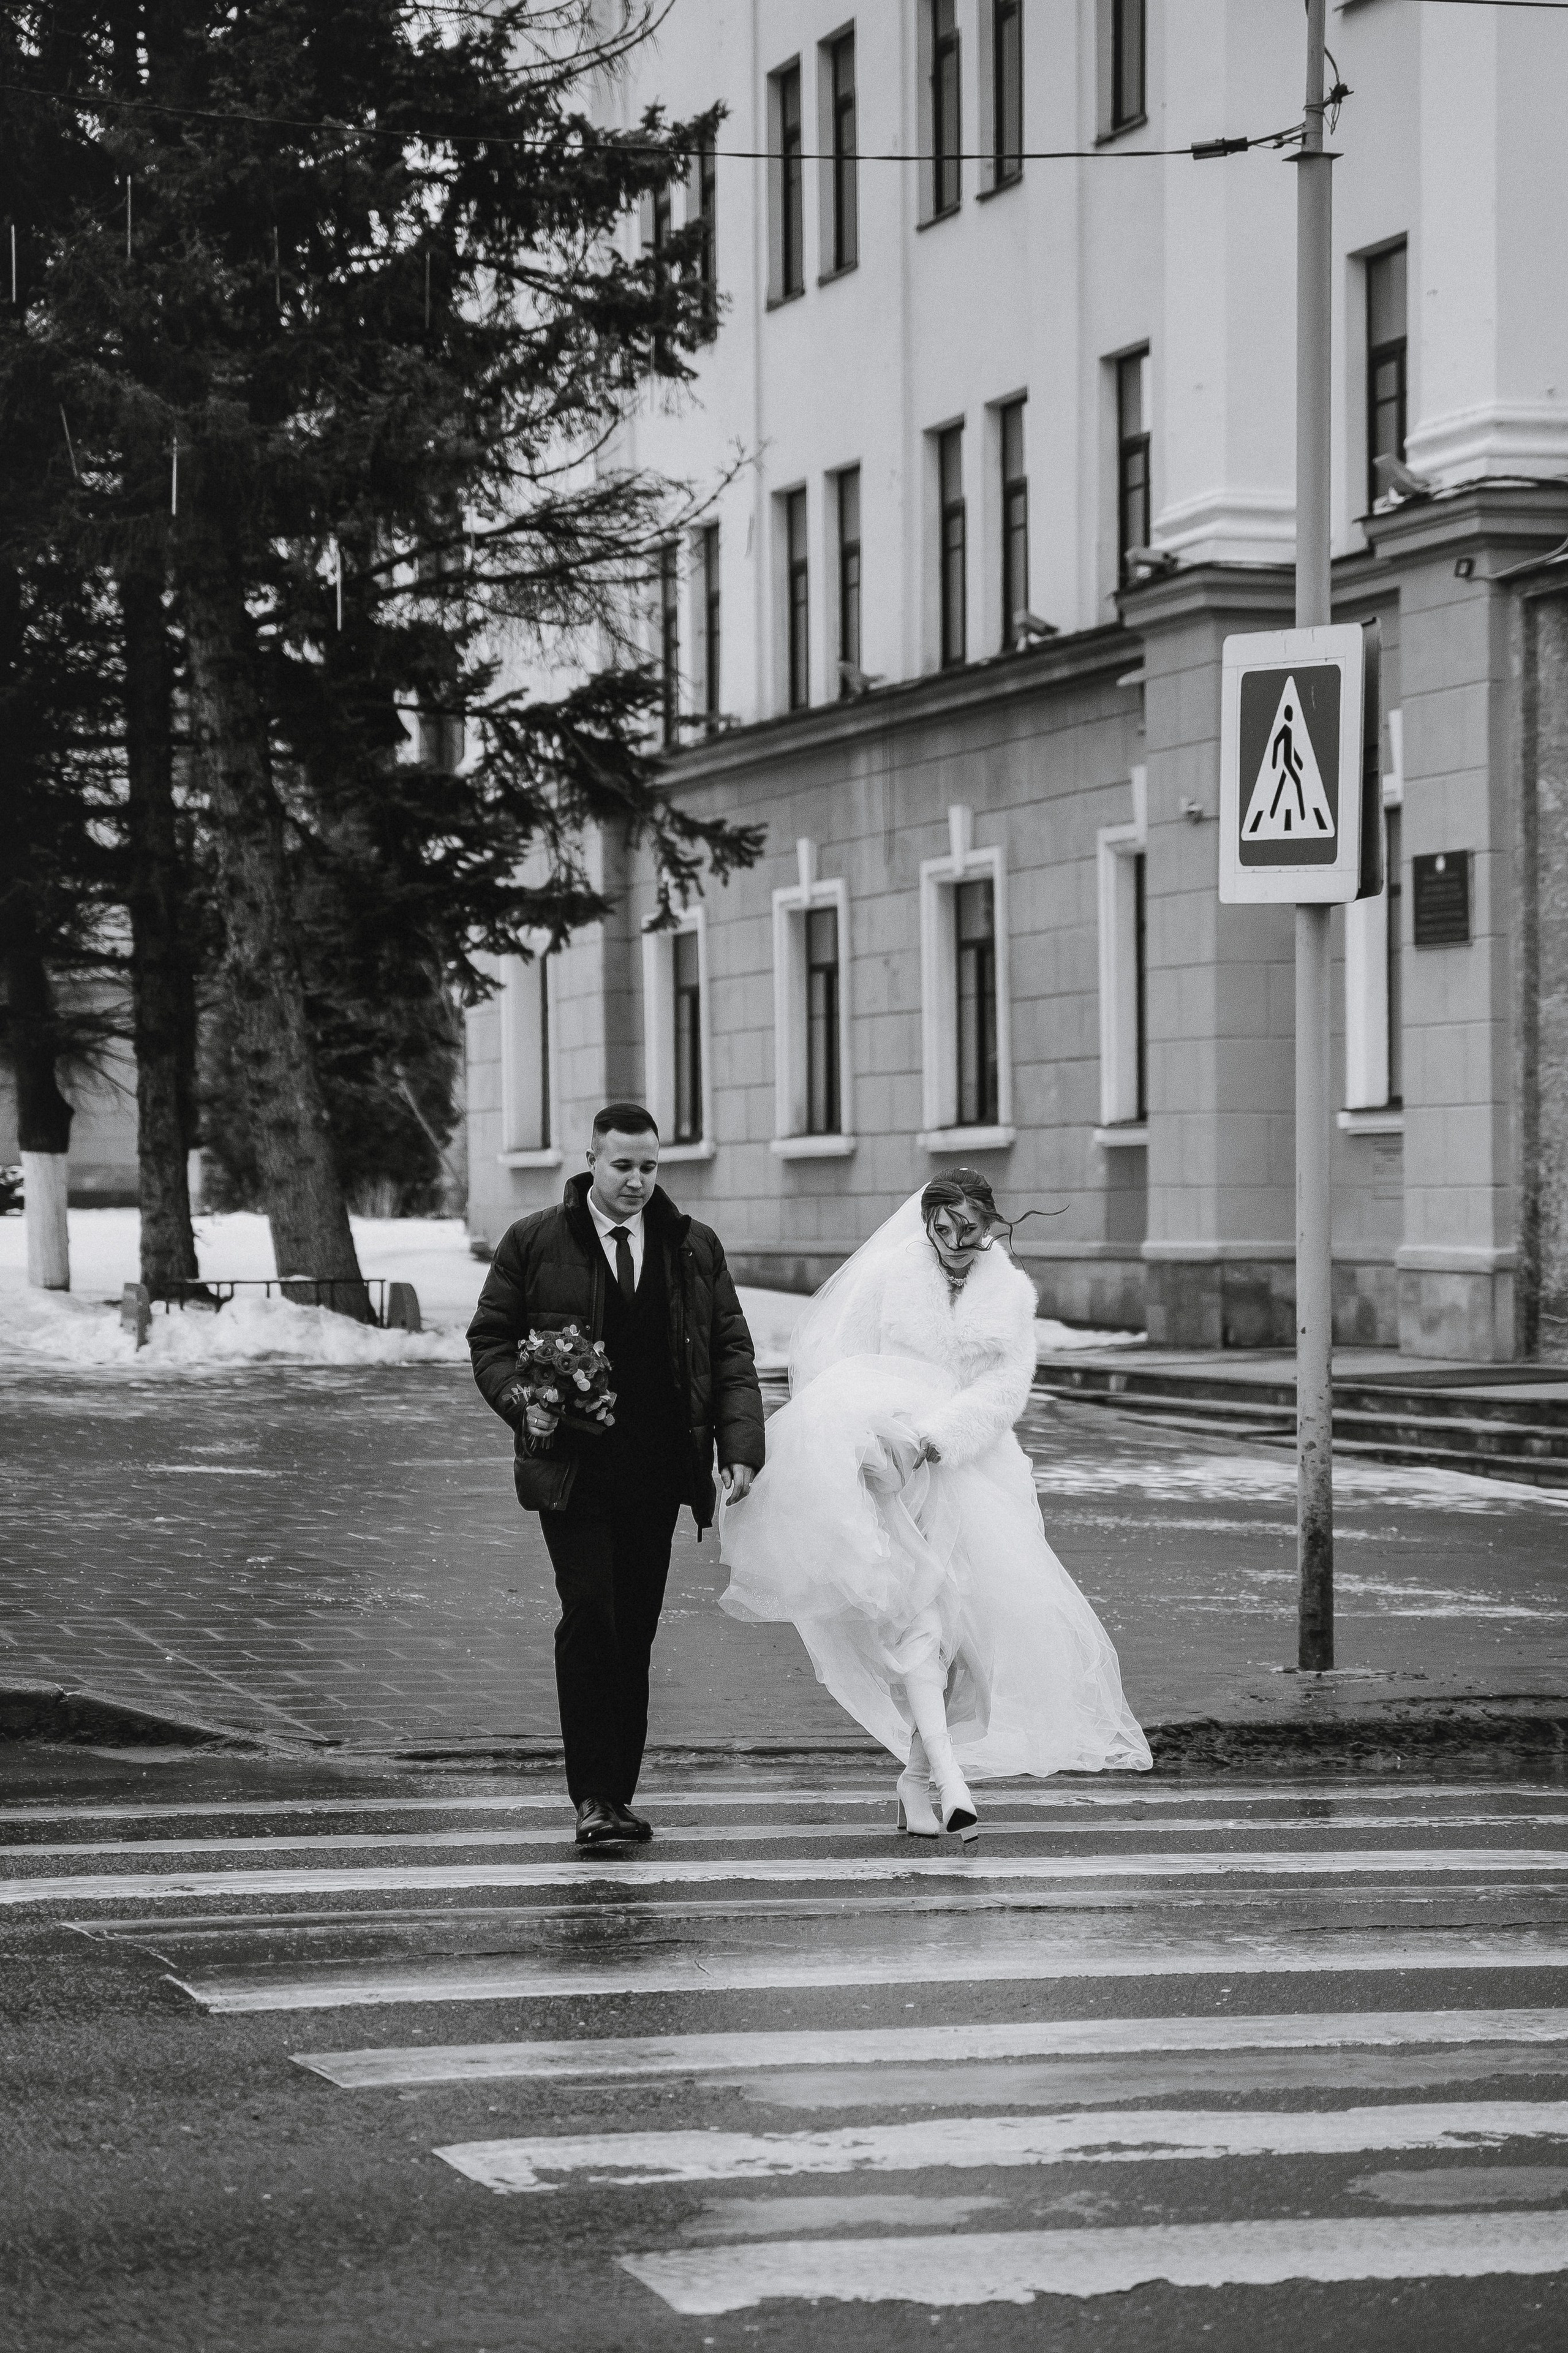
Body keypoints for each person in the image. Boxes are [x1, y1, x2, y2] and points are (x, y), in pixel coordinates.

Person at [718, 1169, 1150, 1842]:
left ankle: (915, 1781)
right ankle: (951, 1781)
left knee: (966, 1646)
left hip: (971, 1471)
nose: (953, 1242)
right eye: (941, 1229)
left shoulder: (1010, 1293)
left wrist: (938, 1437)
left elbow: (1007, 1387)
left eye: (967, 1230)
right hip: (891, 1472)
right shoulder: (892, 1275)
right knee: (921, 1624)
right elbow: (843, 1359)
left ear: (990, 1225)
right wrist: (873, 1436)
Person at [468, 1104, 764, 1848]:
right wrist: (522, 1402)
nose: (637, 1181)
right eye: (622, 1165)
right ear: (592, 1160)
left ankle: (617, 1797)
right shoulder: (535, 1241)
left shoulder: (691, 1246)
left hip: (658, 1472)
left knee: (633, 1632)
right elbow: (491, 1339)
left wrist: (741, 1448)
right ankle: (593, 1796)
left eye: (649, 1166)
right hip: (575, 1472)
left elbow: (730, 1353)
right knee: (590, 1615)